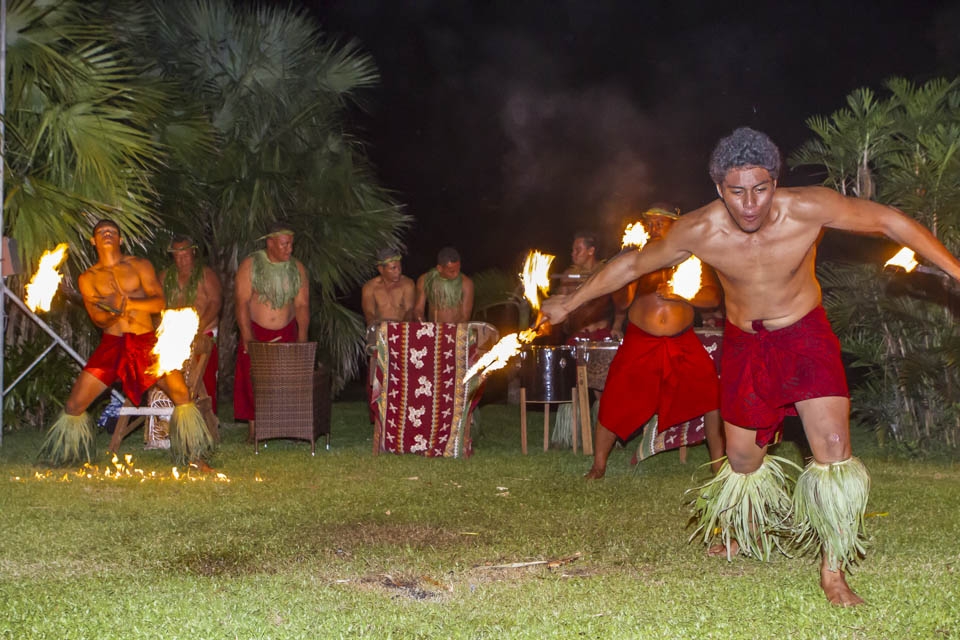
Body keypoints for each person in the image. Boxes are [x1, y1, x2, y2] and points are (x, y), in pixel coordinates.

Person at [541, 127, 960, 607]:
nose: (750, 204)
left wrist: (956, 270)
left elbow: (890, 222)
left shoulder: (809, 207)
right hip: (746, 344)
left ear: (775, 182)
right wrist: (571, 302)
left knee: (833, 449)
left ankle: (833, 571)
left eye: (761, 189)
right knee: (742, 459)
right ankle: (744, 529)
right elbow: (632, 266)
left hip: (805, 336)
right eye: (737, 192)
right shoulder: (699, 230)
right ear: (719, 188)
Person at [38, 220, 214, 468]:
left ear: (120, 239)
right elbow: (98, 319)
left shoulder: (139, 265)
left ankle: (194, 457)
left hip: (145, 343)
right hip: (112, 345)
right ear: (93, 241)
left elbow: (158, 303)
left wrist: (127, 303)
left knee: (181, 393)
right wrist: (113, 312)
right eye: (101, 232)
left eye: (112, 232)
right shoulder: (88, 278)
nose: (107, 235)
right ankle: (66, 456)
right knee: (74, 404)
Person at [582, 208, 724, 479]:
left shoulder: (691, 257)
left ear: (674, 226)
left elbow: (713, 299)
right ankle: (599, 465)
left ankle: (718, 465)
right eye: (650, 223)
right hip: (640, 340)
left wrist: (681, 293)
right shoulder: (639, 259)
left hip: (682, 341)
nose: (655, 227)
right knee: (614, 397)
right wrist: (624, 273)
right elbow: (623, 303)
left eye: (661, 222)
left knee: (711, 397)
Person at [234, 221, 310, 443]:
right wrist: (247, 335)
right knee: (252, 381)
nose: (290, 249)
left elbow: (302, 305)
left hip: (287, 331)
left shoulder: (297, 268)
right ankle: (254, 430)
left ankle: (288, 427)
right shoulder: (251, 265)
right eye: (285, 244)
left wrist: (302, 336)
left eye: (291, 244)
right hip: (256, 331)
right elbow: (241, 302)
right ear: (270, 242)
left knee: (288, 381)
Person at [161, 235, 223, 413]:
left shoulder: (206, 274)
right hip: (172, 335)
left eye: (185, 255)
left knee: (204, 378)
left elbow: (215, 302)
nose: (182, 260)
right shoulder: (165, 276)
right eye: (177, 256)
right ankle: (172, 417)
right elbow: (158, 305)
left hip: (203, 331)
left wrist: (197, 329)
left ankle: (206, 417)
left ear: (193, 252)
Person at [556, 231, 629, 342]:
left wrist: (617, 326)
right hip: (577, 335)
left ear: (591, 251)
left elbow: (621, 304)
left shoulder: (605, 274)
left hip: (602, 334)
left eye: (578, 250)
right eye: (572, 250)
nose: (573, 253)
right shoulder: (568, 276)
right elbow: (559, 305)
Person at [415, 246, 474, 323]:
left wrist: (453, 332)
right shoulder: (425, 280)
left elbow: (465, 316)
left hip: (455, 330)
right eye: (452, 271)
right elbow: (418, 310)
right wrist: (425, 328)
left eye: (458, 269)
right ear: (439, 268)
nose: (456, 274)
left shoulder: (466, 283)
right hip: (434, 329)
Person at [361, 247, 416, 326]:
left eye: (399, 267)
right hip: (379, 328)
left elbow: (409, 310)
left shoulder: (407, 284)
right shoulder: (370, 287)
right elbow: (369, 314)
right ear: (381, 269)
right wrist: (377, 330)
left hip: (401, 327)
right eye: (393, 268)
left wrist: (402, 328)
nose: (398, 271)